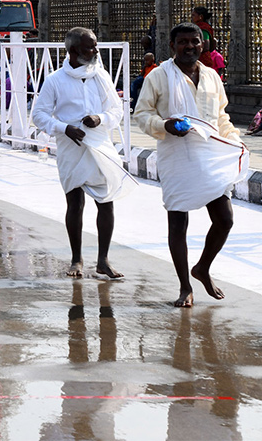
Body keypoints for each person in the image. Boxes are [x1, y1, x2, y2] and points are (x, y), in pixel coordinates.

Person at [135, 22, 249, 308]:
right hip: (177, 156)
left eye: (194, 41)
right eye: (183, 42)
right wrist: (165, 125)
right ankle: (185, 285)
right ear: (172, 46)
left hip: (210, 157)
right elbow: (142, 114)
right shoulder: (159, 76)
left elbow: (221, 117)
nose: (189, 47)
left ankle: (202, 269)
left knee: (225, 219)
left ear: (203, 44)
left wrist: (234, 140)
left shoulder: (211, 76)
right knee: (178, 221)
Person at [31, 27, 131, 280]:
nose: (95, 51)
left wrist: (101, 118)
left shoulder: (102, 76)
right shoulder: (55, 80)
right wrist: (65, 128)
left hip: (100, 144)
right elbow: (39, 115)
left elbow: (117, 110)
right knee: (75, 203)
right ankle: (76, 259)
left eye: (95, 46)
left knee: (106, 201)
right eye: (90, 47)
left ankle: (103, 261)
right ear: (74, 51)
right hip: (71, 147)